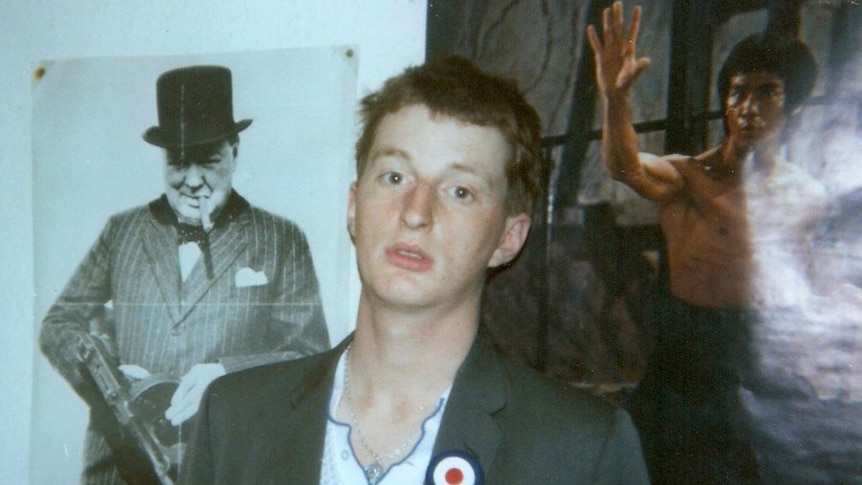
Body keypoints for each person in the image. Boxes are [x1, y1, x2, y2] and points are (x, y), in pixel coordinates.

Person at [180, 55, 649, 484]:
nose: (415, 212)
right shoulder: (234, 419)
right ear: (353, 207)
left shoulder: (582, 448)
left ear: (509, 238)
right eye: (395, 177)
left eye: (459, 191)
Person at [39, 65, 331, 484]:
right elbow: (58, 325)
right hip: (122, 468)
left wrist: (226, 375)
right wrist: (111, 383)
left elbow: (310, 357)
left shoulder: (282, 239)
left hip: (230, 464)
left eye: (209, 159)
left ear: (235, 150)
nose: (193, 180)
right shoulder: (122, 231)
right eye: (178, 161)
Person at [588, 2, 830, 484]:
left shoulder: (809, 194)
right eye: (738, 91)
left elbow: (808, 279)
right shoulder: (687, 177)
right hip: (683, 362)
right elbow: (625, 166)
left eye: (767, 92)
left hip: (754, 365)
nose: (748, 107)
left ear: (793, 104)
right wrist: (616, 99)